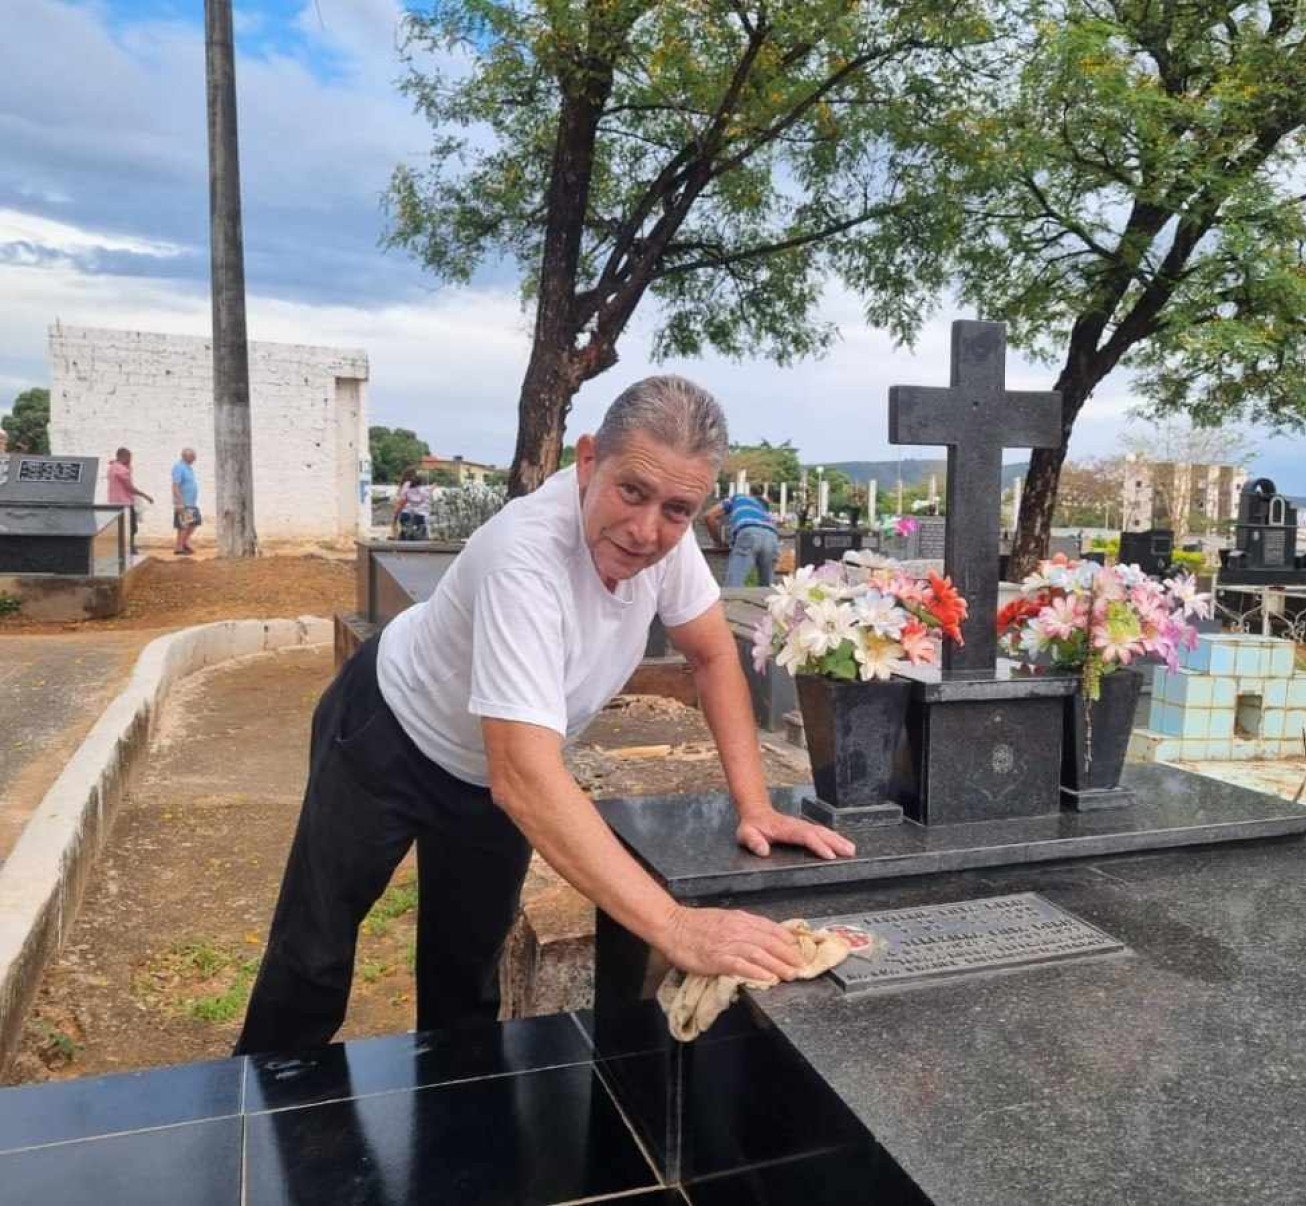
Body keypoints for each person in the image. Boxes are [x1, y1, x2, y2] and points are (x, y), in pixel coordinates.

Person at [234, 376, 853, 1056]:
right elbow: (524, 774)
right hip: (389, 733)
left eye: (678, 510)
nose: (646, 530)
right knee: (314, 955)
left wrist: (755, 805)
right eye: (631, 491)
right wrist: (674, 927)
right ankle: (258, 1121)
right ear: (588, 461)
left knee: (466, 976)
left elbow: (711, 656)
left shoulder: (662, 542)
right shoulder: (523, 554)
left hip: (487, 780)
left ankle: (454, 1133)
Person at [703, 482, 780, 587]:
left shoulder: (737, 498)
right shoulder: (762, 506)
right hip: (772, 536)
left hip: (749, 532)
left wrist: (718, 542)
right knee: (767, 592)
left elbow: (709, 516)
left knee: (734, 588)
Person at [106, 447, 154, 556]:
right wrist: (145, 495)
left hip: (114, 501)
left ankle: (121, 547)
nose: (131, 460)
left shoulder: (112, 468)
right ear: (125, 457)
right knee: (132, 527)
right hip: (125, 502)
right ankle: (131, 547)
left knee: (120, 527)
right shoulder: (122, 470)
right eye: (129, 458)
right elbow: (129, 487)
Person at [171, 447, 201, 555]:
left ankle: (183, 543)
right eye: (192, 456)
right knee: (184, 525)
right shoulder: (179, 467)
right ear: (185, 456)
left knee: (193, 523)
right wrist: (179, 502)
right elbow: (175, 486)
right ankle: (179, 547)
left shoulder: (188, 468)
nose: (194, 459)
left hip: (191, 502)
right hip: (184, 502)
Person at [392, 468, 431, 540]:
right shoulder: (425, 489)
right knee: (420, 538)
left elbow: (402, 501)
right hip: (421, 516)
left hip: (406, 514)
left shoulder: (406, 485)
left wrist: (395, 516)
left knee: (406, 536)